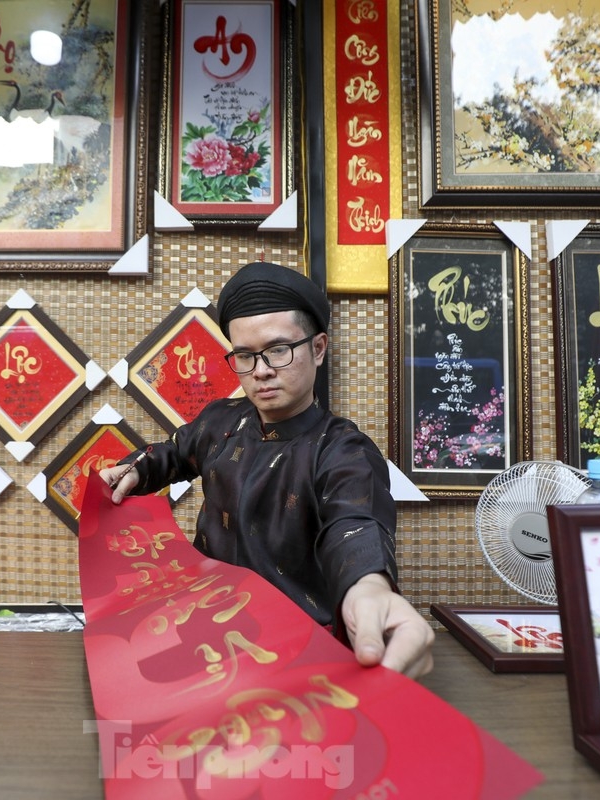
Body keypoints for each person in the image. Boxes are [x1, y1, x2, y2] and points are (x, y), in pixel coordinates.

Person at [100, 261, 434, 680]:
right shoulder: (220, 420)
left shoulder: (343, 450)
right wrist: (136, 468)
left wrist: (368, 587)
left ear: (318, 348)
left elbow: (355, 526)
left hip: (297, 651)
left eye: (278, 350)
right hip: (203, 634)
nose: (260, 370)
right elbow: (174, 452)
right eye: (244, 355)